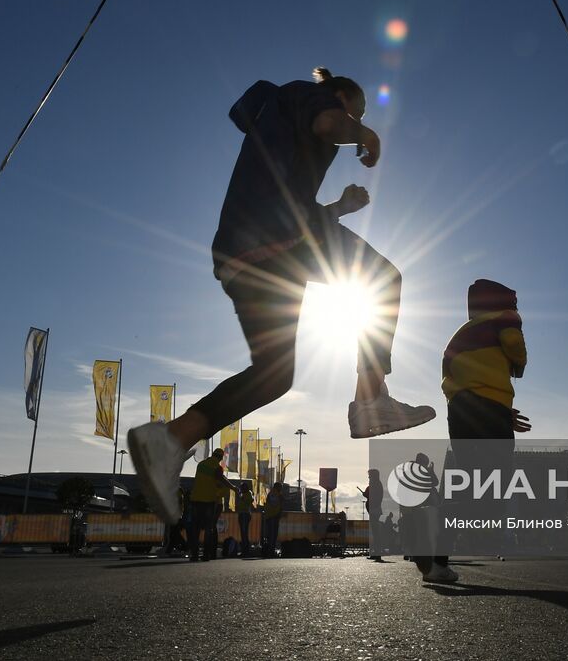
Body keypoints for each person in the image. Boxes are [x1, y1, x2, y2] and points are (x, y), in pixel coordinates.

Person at [129, 67, 435, 523]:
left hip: (243, 255)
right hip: (277, 242)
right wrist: (367, 134)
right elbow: (329, 124)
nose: (353, 123)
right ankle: (371, 398)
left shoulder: (277, 130)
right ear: (339, 98)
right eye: (358, 109)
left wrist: (340, 208)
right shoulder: (305, 98)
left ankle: (171, 438)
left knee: (274, 375)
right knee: (384, 280)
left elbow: (293, 205)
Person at [417, 279, 532, 583]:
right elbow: (515, 350)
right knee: (494, 485)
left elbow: (462, 382)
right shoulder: (506, 318)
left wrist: (498, 411)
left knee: (470, 483)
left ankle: (436, 561)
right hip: (490, 410)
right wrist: (516, 367)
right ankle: (435, 550)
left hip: (460, 410)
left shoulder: (459, 335)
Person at [188, 448, 235, 562]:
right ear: (220, 458)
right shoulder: (217, 468)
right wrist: (233, 487)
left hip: (195, 499)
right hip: (208, 501)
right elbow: (221, 479)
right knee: (209, 528)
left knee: (196, 528)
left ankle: (194, 554)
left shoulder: (201, 464)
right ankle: (206, 555)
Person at [361, 469, 384, 560]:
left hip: (374, 510)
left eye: (370, 476)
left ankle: (377, 553)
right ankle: (376, 553)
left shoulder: (375, 485)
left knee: (375, 532)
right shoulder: (377, 484)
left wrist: (366, 494)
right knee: (375, 532)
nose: (369, 477)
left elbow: (371, 495)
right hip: (376, 509)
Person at [262, 483, 284, 557]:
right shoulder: (279, 495)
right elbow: (281, 505)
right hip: (275, 516)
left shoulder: (270, 494)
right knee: (273, 535)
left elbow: (267, 504)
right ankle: (271, 551)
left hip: (268, 516)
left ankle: (269, 550)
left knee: (269, 535)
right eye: (280, 487)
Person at [235, 481, 254, 558]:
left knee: (244, 532)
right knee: (243, 533)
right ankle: (245, 550)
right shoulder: (245, 494)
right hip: (242, 514)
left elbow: (248, 501)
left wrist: (240, 495)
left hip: (245, 514)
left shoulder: (248, 494)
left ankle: (246, 550)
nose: (241, 489)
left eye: (242, 487)